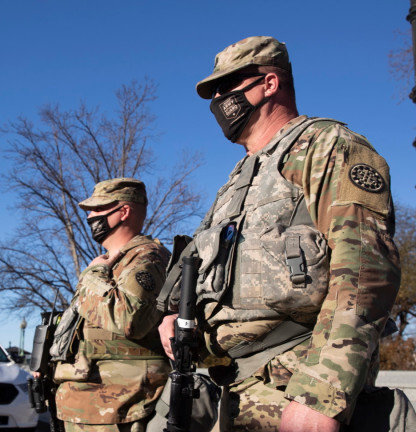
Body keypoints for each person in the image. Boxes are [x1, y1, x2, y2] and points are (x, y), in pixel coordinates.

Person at [157, 36, 401, 432]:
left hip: (293, 383)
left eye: (227, 86)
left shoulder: (327, 146)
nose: (218, 99)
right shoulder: (238, 180)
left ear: (269, 84)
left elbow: (365, 271)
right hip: (234, 387)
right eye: (213, 92)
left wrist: (321, 395)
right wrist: (175, 318)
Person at [49, 178, 171, 432]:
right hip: (90, 405)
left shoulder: (148, 258)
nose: (91, 216)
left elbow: (128, 319)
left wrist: (93, 275)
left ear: (123, 212)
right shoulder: (111, 262)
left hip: (120, 407)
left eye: (98, 209)